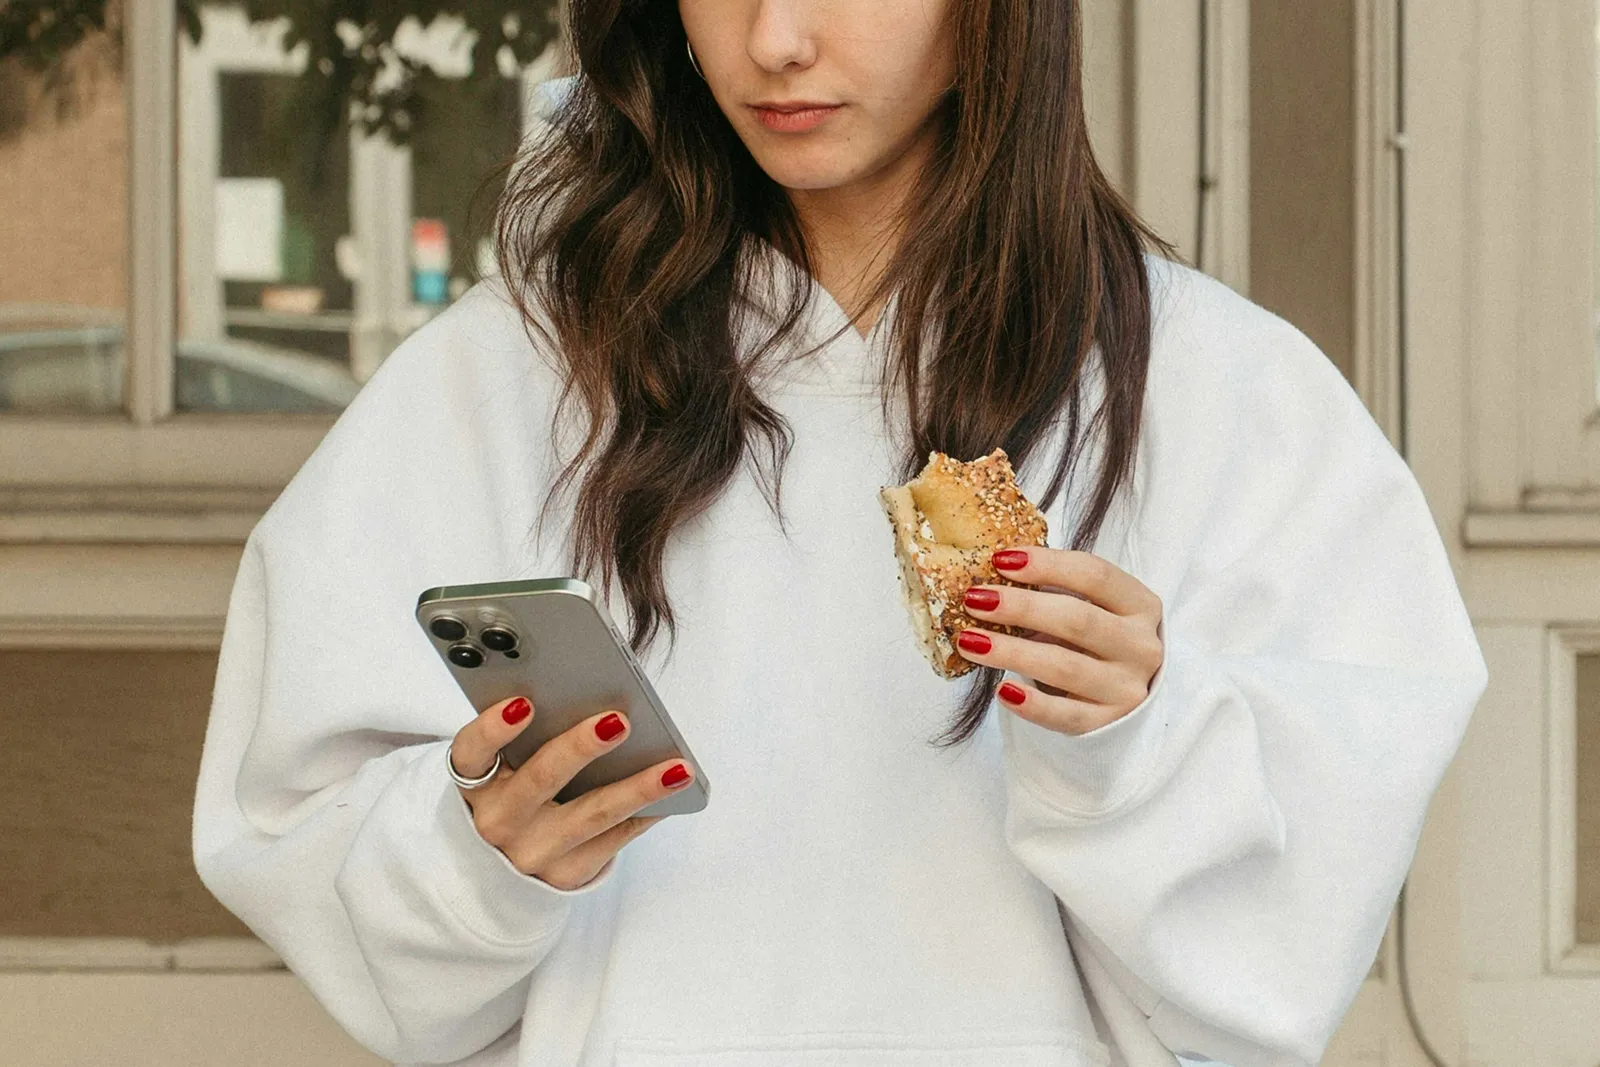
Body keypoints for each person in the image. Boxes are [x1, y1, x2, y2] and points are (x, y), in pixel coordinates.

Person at [191, 1, 1489, 1065]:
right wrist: (474, 853)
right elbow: (299, 819)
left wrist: (1136, 742)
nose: (775, 39)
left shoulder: (1224, 394)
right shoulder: (510, 378)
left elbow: (1278, 976)